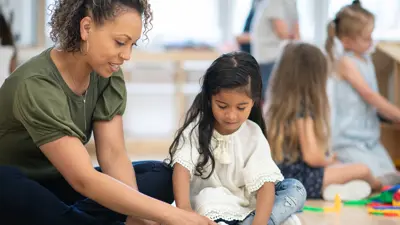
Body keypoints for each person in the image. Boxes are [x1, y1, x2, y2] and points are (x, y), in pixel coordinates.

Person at [0, 1, 220, 225]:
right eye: (120, 42)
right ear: (86, 28)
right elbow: (83, 179)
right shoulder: (36, 84)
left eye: (132, 45)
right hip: (22, 187)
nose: (126, 55)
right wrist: (173, 215)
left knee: (160, 175)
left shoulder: (106, 73)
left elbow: (113, 154)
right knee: (6, 186)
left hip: (61, 184)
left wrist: (137, 217)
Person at [167, 51, 306, 225]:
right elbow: (182, 169)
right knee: (208, 196)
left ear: (254, 102)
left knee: (294, 188)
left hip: (247, 205)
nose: (231, 116)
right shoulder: (197, 127)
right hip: (210, 206)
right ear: (209, 99)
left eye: (241, 107)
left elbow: (265, 186)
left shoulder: (253, 133)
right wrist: (184, 210)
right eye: (222, 106)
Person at [264, 42, 385, 201]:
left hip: (282, 178)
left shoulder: (274, 108)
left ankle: (336, 191)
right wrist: (329, 160)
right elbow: (312, 157)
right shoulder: (304, 111)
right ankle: (378, 186)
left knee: (342, 169)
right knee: (362, 170)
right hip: (302, 181)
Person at [325, 0, 400, 184]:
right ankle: (340, 174)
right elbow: (370, 95)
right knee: (375, 181)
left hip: (370, 141)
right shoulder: (345, 62)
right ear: (347, 41)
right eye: (367, 38)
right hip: (348, 141)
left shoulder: (367, 59)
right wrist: (397, 115)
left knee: (392, 179)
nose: (372, 41)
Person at [251, 0, 299, 100]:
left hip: (276, 58)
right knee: (273, 99)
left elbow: (296, 32)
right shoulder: (274, 2)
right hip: (269, 59)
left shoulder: (291, 3)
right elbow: (282, 32)